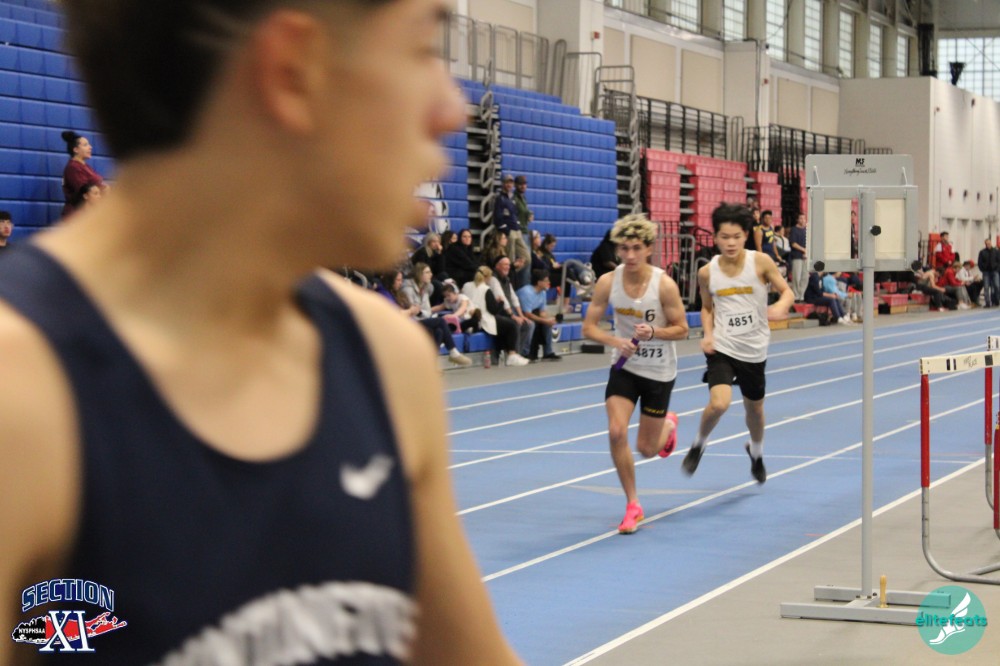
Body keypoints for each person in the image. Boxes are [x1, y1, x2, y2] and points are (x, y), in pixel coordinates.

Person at [0, 1, 520, 664]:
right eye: (423, 48)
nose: (452, 109)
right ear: (294, 70)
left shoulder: (386, 360)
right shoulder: (22, 402)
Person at [582, 213, 688, 534]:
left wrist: (654, 332)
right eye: (624, 248)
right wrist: (616, 341)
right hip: (625, 367)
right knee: (616, 432)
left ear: (649, 249)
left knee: (647, 449)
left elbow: (682, 329)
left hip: (658, 371)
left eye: (636, 248)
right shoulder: (607, 282)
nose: (629, 255)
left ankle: (668, 424)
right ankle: (633, 504)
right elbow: (589, 328)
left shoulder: (664, 285)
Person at [683, 203, 793, 485]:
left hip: (754, 349)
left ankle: (756, 452)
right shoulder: (707, 272)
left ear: (746, 235)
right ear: (715, 237)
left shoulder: (761, 262)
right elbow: (706, 308)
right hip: (723, 347)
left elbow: (787, 292)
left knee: (754, 409)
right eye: (724, 237)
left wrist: (781, 306)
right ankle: (698, 444)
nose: (730, 243)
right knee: (719, 404)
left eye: (736, 237)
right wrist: (707, 335)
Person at [461, 266, 530, 366]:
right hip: (483, 320)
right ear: (487, 277)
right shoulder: (486, 289)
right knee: (511, 325)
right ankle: (512, 354)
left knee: (502, 323)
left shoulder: (466, 286)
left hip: (468, 318)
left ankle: (502, 353)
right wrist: (500, 302)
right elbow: (493, 310)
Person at [59, 130, 107, 218]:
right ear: (76, 149)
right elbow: (84, 192)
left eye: (89, 144)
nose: (90, 147)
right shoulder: (73, 168)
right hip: (77, 216)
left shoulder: (85, 166)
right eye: (85, 145)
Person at [516, 269, 561, 361]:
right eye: (546, 280)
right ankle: (525, 352)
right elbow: (527, 314)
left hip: (530, 313)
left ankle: (548, 352)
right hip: (518, 314)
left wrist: (549, 319)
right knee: (531, 324)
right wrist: (545, 320)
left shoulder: (543, 292)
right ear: (539, 282)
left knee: (547, 323)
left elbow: (542, 312)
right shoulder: (527, 292)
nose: (549, 282)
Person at [789, 212, 808, 301]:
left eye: (804, 218)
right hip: (797, 256)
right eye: (801, 218)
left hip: (805, 257)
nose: (803, 220)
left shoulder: (806, 230)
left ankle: (801, 295)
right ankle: (796, 295)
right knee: (796, 277)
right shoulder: (794, 230)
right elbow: (793, 244)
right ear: (797, 219)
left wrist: (807, 252)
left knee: (805, 277)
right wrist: (803, 250)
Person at [978, 238, 1000, 307]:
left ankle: (996, 300)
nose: (988, 245)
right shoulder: (982, 252)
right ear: (985, 244)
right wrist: (982, 269)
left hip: (995, 271)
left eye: (989, 243)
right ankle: (987, 303)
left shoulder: (996, 251)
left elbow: (999, 261)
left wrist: (997, 269)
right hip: (986, 272)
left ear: (991, 243)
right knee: (986, 287)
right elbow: (979, 262)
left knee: (996, 286)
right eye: (987, 244)